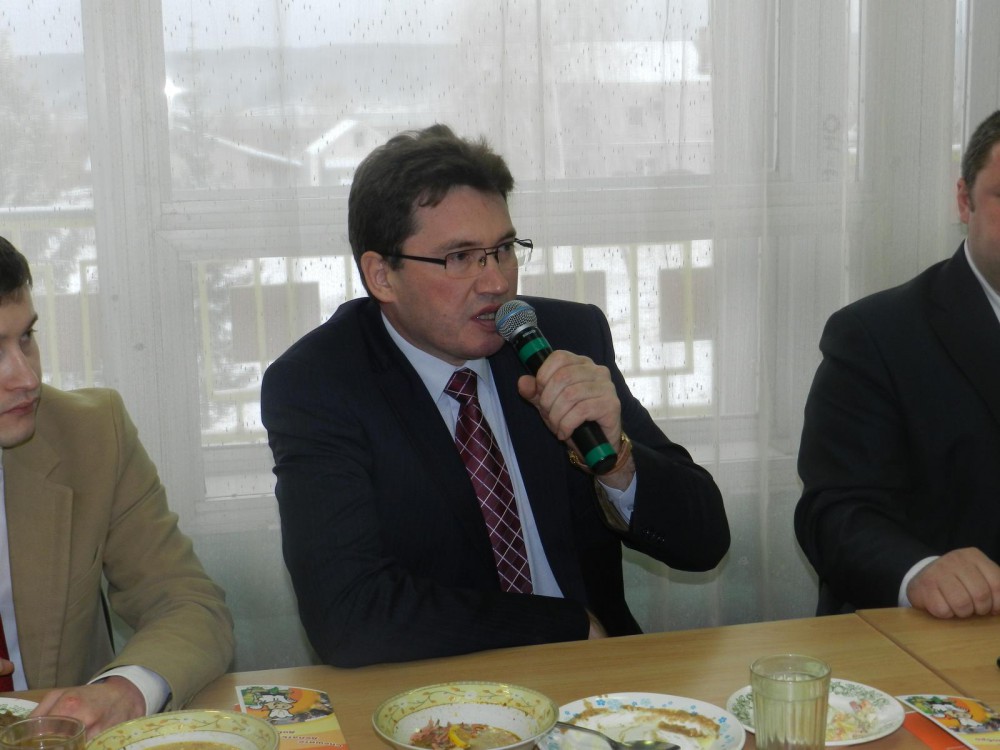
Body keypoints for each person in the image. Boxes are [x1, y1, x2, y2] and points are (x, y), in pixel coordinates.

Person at [262, 123, 730, 668]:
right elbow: (347, 615)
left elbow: (705, 543)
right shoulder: (320, 385)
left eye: (504, 249)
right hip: (439, 695)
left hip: (595, 686)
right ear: (381, 275)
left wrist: (617, 462)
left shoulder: (561, 338)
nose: (497, 283)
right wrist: (563, 627)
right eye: (460, 257)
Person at [0, 236, 234, 734]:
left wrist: (124, 692)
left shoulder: (91, 435)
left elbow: (188, 603)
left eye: (26, 338)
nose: (27, 378)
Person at [795, 109, 1000, 619]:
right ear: (965, 201)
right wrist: (920, 571)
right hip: (940, 635)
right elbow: (835, 514)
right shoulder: (875, 335)